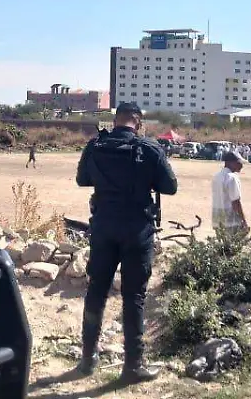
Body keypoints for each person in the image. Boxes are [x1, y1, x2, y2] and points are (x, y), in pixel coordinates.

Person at [76, 102, 177, 383]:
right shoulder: (149, 149)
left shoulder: (96, 146)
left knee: (96, 291)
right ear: (138, 121)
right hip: (137, 231)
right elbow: (170, 186)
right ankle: (132, 365)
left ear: (117, 120)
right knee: (134, 297)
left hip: (104, 227)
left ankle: (87, 359)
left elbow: (82, 180)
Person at [212, 152, 249, 235]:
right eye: (238, 163)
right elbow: (236, 202)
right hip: (231, 222)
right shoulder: (232, 178)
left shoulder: (216, 176)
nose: (241, 166)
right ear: (230, 163)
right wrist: (243, 221)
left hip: (217, 220)